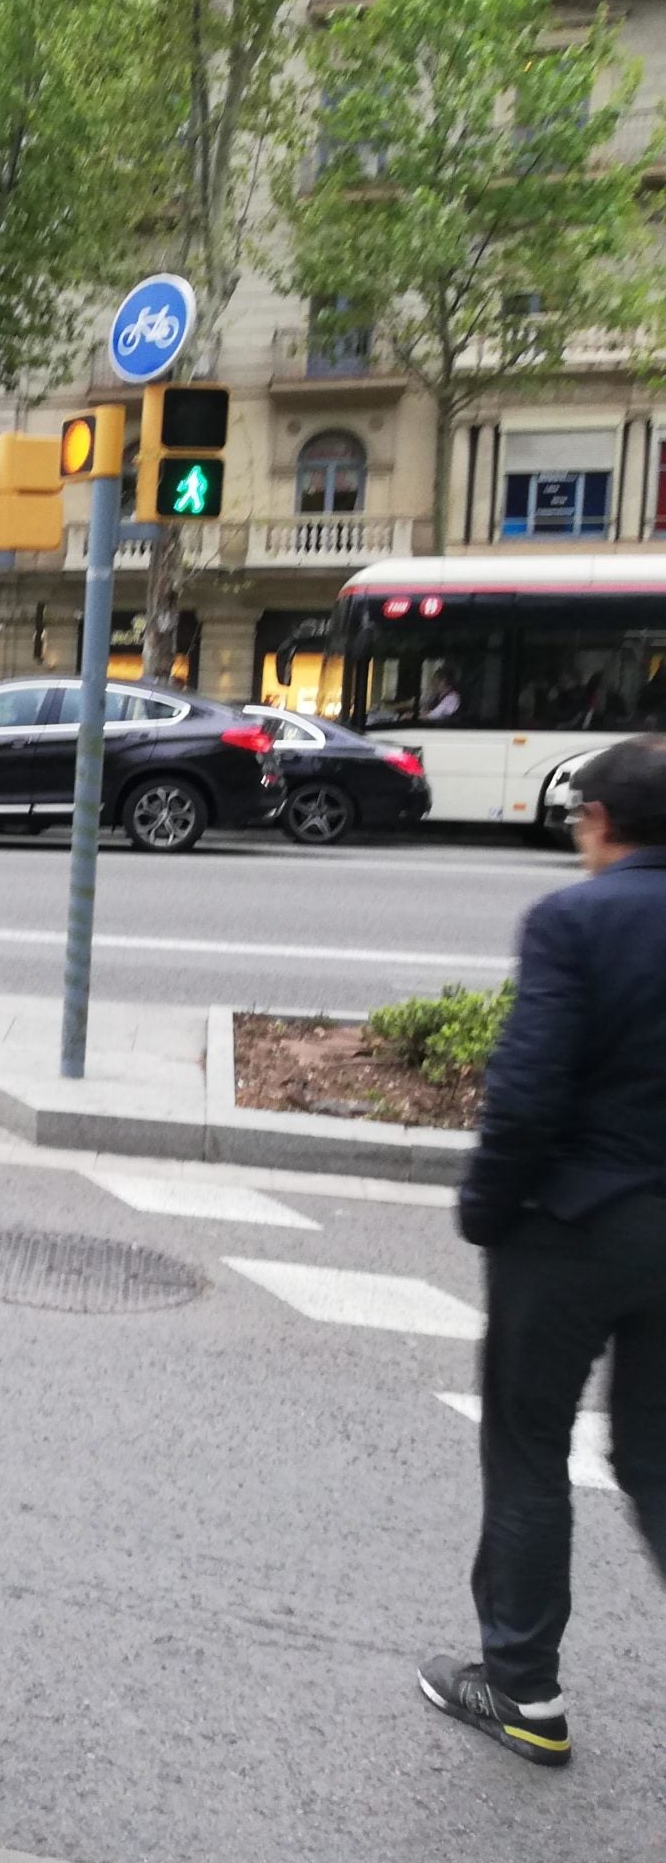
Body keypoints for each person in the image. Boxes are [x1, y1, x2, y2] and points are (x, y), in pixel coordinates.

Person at [421, 734, 666, 1769]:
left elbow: (525, 1093)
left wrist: (484, 1208)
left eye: (575, 820)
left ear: (599, 822)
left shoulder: (572, 920)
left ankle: (522, 1690)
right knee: (657, 1461)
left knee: (528, 1446)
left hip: (569, 1227)